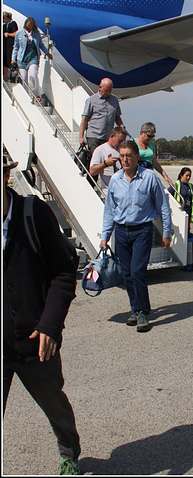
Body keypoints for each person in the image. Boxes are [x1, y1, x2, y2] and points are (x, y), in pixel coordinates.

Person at [3, 154, 81, 475]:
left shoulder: (33, 214)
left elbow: (64, 271)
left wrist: (50, 324)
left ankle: (69, 452)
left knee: (54, 404)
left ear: (6, 173)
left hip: (36, 340)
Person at [100, 140, 172, 333]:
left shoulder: (149, 178)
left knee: (137, 270)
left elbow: (163, 207)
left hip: (142, 230)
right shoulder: (116, 180)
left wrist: (166, 232)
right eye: (121, 156)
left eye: (128, 156)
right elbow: (109, 210)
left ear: (136, 157)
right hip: (121, 231)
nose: (124, 159)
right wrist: (105, 236)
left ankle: (142, 312)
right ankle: (136, 308)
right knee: (127, 274)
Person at [79, 77, 124, 156]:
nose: (108, 93)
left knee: (108, 160)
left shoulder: (114, 100)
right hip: (94, 136)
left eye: (110, 91)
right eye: (106, 90)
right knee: (96, 160)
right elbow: (84, 119)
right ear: (100, 87)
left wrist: (122, 127)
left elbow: (117, 117)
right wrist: (81, 137)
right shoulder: (91, 100)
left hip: (108, 137)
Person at [11, 17, 51, 100]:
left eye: (31, 26)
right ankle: (25, 97)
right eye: (28, 26)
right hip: (22, 59)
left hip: (33, 58)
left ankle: (34, 94)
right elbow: (16, 47)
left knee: (33, 75)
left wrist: (47, 53)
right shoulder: (19, 33)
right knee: (24, 78)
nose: (29, 28)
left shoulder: (36, 33)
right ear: (25, 25)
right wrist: (13, 59)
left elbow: (40, 45)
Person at [89, 127, 127, 194]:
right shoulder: (100, 150)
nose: (121, 143)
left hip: (123, 191)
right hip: (108, 192)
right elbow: (92, 170)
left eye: (123, 141)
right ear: (112, 136)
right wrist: (106, 164)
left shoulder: (123, 150)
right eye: (120, 141)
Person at [3, 11, 18, 81]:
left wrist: (9, 34)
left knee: (9, 60)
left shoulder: (13, 24)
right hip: (4, 46)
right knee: (4, 62)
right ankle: (5, 78)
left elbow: (16, 33)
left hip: (10, 45)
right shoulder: (4, 26)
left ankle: (11, 77)